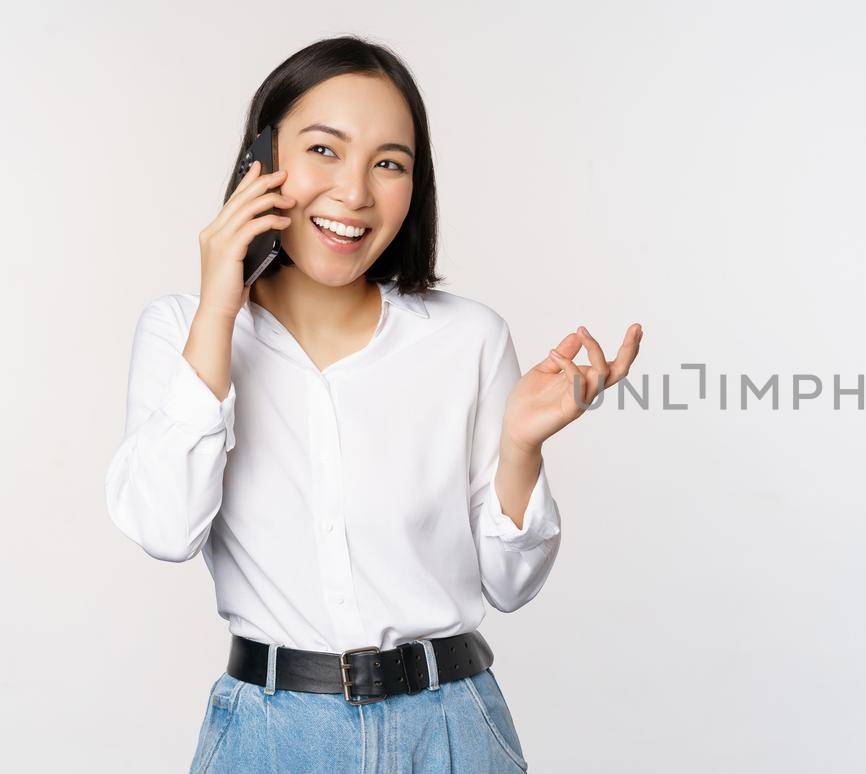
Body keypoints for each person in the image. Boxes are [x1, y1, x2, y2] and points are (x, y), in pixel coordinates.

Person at [103, 36, 642, 773]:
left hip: (452, 729)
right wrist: (219, 311)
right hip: (270, 737)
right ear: (259, 158)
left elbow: (512, 587)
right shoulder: (181, 331)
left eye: (388, 163)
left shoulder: (468, 339)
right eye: (324, 150)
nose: (355, 192)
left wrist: (521, 447)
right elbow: (165, 529)